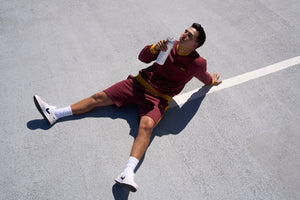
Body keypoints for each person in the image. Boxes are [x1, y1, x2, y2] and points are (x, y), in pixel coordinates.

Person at [33, 23, 222, 192]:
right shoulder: (169, 45)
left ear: (195, 45)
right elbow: (142, 58)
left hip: (158, 99)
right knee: (98, 97)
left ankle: (127, 173)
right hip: (137, 85)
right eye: (185, 31)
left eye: (189, 35)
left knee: (147, 127)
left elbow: (203, 76)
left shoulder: (198, 62)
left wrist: (211, 81)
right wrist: (155, 47)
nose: (184, 35)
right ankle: (54, 113)